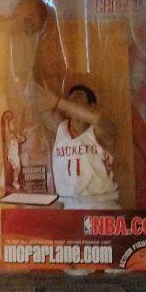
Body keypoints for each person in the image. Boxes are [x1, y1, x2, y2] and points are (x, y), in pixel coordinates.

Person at [35, 82, 120, 210]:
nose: (73, 105)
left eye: (79, 99)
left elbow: (106, 125)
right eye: (71, 102)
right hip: (70, 207)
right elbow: (41, 107)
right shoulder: (60, 128)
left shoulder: (100, 131)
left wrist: (59, 102)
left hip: (100, 206)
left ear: (92, 107)